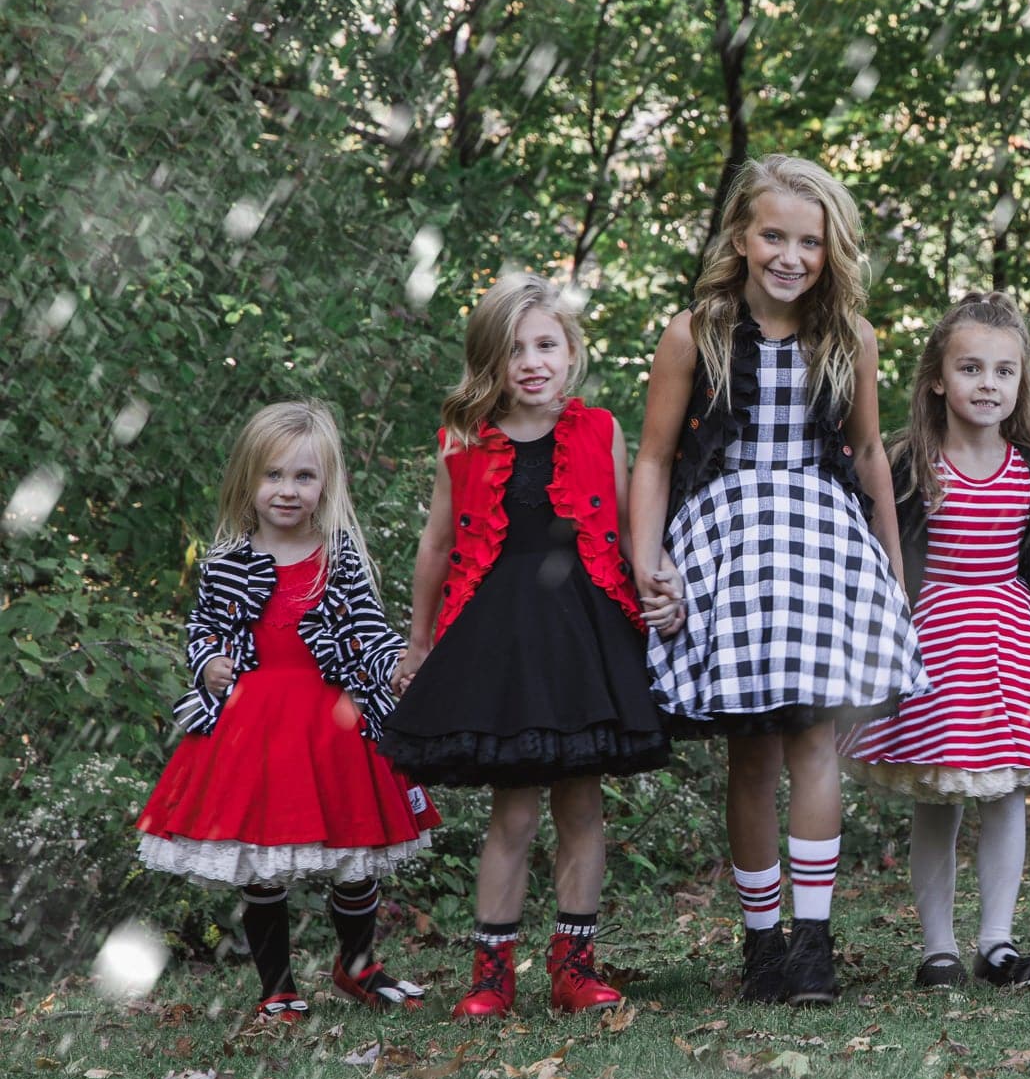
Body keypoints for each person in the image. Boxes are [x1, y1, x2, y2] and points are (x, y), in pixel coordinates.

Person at [631, 154, 928, 1007]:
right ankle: (762, 942)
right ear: (741, 237)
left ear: (831, 250)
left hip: (823, 547)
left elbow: (871, 456)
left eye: (810, 240)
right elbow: (653, 459)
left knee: (813, 740)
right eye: (774, 236)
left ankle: (814, 942)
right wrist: (650, 562)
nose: (791, 255)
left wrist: (893, 578)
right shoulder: (697, 332)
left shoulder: (851, 339)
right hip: (726, 546)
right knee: (751, 752)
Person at [381, 272, 670, 1019]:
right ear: (491, 362)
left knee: (582, 803)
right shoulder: (466, 440)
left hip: (584, 636)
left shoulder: (600, 428)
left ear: (571, 352)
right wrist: (417, 642)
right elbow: (439, 545)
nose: (532, 361)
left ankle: (575, 964)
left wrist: (655, 594)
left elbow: (627, 530)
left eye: (546, 344)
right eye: (514, 350)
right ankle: (491, 971)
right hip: (502, 642)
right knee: (512, 812)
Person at [843, 294, 1030, 990]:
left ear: (1020, 382)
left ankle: (996, 942)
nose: (988, 383)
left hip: (1014, 646)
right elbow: (877, 565)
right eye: (971, 367)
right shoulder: (908, 466)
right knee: (939, 794)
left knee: (1005, 795)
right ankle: (937, 947)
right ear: (938, 377)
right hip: (933, 645)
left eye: (1004, 370)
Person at [138, 401, 437, 1021]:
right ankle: (277, 986)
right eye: (274, 475)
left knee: (355, 852)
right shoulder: (225, 562)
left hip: (336, 722)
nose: (287, 489)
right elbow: (205, 631)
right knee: (261, 862)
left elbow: (368, 630)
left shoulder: (340, 556)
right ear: (249, 479)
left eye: (304, 476)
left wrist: (397, 668)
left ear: (325, 483)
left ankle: (357, 966)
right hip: (254, 727)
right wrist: (209, 664)